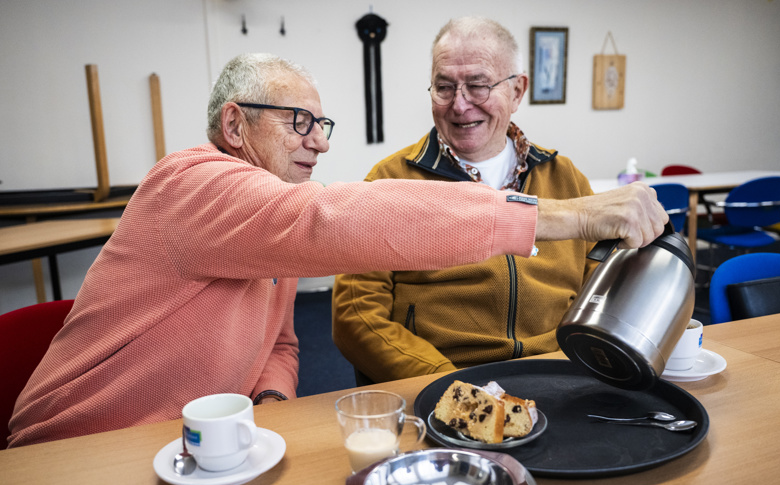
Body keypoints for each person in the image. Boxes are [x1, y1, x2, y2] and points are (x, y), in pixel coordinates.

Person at [8, 53, 665, 448]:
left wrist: (265, 406)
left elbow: (283, 344)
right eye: (299, 122)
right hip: (77, 455)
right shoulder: (189, 182)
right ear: (234, 123)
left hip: (199, 446)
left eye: (321, 126)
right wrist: (561, 217)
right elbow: (331, 219)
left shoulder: (267, 227)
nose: (319, 143)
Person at [332, 17, 624, 384]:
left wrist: (575, 366)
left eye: (478, 85)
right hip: (442, 380)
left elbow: (602, 292)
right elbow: (355, 318)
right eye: (444, 87)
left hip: (557, 376)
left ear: (518, 91)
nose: (459, 105)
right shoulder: (390, 180)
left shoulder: (566, 178)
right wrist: (445, 383)